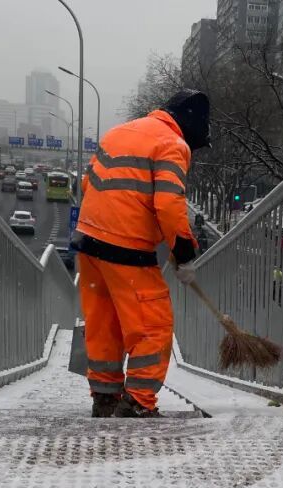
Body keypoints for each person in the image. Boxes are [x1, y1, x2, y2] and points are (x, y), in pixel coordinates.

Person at [73, 89, 209, 418]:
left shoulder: (120, 132)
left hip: (89, 242)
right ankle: (137, 403)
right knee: (153, 326)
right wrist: (184, 251)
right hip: (126, 249)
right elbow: (167, 202)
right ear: (189, 128)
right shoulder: (172, 145)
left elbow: (87, 184)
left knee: (104, 321)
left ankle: (104, 397)